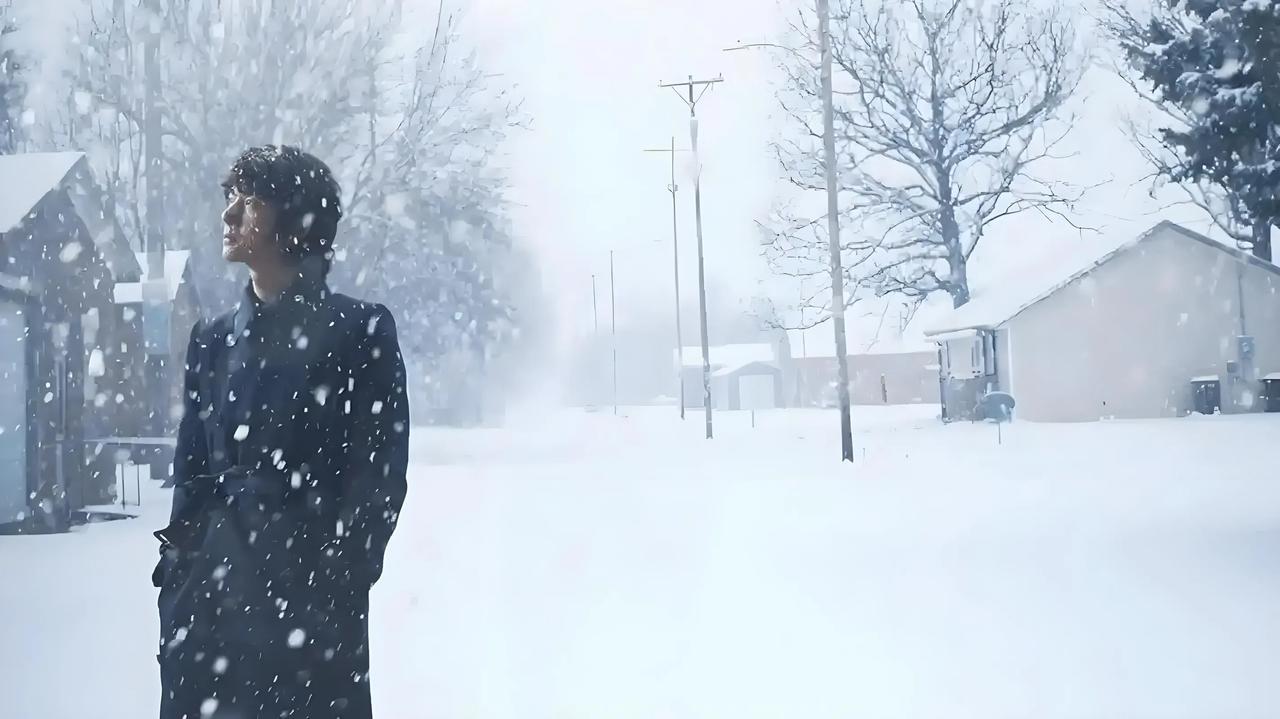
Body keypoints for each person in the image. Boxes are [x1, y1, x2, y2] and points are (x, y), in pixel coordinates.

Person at [153, 145, 409, 719]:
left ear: (296, 220)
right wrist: (179, 580)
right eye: (228, 198)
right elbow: (190, 481)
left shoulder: (360, 331)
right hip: (209, 618)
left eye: (249, 200)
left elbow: (380, 479)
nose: (229, 215)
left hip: (309, 627)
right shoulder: (211, 341)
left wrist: (335, 583)